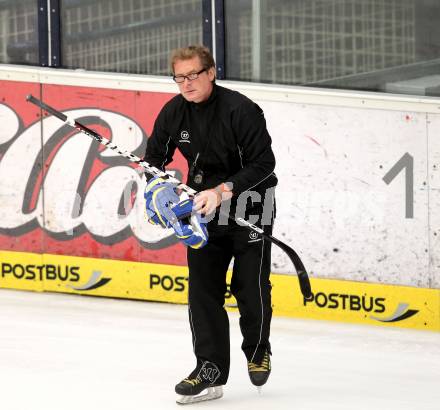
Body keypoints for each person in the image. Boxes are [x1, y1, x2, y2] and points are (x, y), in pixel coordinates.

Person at [143, 45, 278, 403]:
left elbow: (265, 163)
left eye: (193, 75)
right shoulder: (174, 112)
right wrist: (157, 189)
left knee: (250, 286)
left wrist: (223, 190)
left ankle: (257, 349)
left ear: (211, 72)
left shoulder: (241, 110)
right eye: (179, 77)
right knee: (203, 290)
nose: (186, 84)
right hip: (202, 207)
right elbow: (153, 159)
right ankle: (210, 367)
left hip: (252, 204)